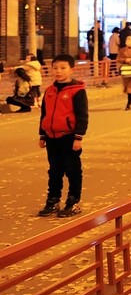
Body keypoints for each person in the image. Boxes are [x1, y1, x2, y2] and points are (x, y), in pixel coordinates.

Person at [37, 53, 88, 218]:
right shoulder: (49, 91)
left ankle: (73, 202)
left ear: (71, 69)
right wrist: (42, 135)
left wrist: (78, 137)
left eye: (63, 68)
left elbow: (82, 116)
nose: (58, 71)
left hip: (69, 137)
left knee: (72, 170)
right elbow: (44, 114)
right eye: (55, 68)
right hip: (51, 138)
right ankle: (53, 201)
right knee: (54, 171)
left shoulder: (77, 91)